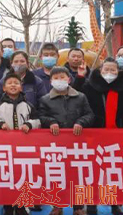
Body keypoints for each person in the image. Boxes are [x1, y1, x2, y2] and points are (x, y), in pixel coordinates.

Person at [39, 66, 94, 215]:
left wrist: (81, 122)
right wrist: (51, 122)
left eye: (62, 77)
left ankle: (78, 207)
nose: (59, 80)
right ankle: (57, 205)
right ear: (50, 81)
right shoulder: (45, 99)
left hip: (77, 144)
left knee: (77, 175)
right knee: (56, 175)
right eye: (56, 78)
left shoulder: (80, 97)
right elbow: (41, 116)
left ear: (69, 79)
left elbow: (89, 114)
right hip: (55, 145)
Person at [82, 57, 123, 215]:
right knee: (92, 172)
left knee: (115, 171)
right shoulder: (89, 87)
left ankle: (115, 204)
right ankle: (91, 204)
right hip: (93, 136)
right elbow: (80, 106)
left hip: (116, 137)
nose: (109, 72)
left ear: (118, 72)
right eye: (106, 69)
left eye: (113, 70)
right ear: (100, 70)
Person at [0, 73, 40, 215]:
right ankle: (8, 206)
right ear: (4, 88)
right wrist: (0, 124)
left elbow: (38, 120)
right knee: (6, 176)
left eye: (16, 83)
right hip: (5, 149)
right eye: (9, 83)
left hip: (25, 149)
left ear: (21, 87)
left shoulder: (28, 106)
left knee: (23, 176)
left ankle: (21, 205)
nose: (13, 85)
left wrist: (29, 124)